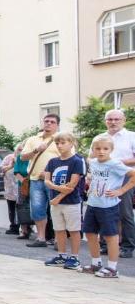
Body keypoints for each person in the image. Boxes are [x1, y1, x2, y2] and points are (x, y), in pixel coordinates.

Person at [81, 134, 135, 278]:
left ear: (111, 149)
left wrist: (121, 190)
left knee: (111, 236)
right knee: (90, 234)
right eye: (98, 148)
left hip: (108, 206)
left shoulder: (115, 164)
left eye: (105, 148)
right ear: (93, 149)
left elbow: (133, 175)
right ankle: (95, 263)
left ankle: (112, 268)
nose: (101, 151)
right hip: (93, 203)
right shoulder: (93, 162)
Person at [42, 132, 85, 270]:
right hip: (56, 203)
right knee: (58, 229)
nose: (59, 146)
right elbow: (47, 180)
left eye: (63, 143)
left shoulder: (76, 161)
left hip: (71, 202)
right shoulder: (52, 161)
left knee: (73, 230)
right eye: (57, 143)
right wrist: (56, 188)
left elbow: (72, 186)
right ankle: (61, 255)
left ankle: (75, 257)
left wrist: (57, 197)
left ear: (71, 143)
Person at [97, 109, 135, 258]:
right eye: (109, 119)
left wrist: (117, 162)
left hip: (125, 176)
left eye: (116, 119)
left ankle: (127, 246)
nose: (113, 122)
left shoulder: (131, 136)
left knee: (124, 213)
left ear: (123, 120)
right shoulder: (100, 137)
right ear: (105, 121)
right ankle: (106, 244)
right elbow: (91, 157)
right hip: (104, 177)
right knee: (104, 211)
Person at [20, 114, 61, 247]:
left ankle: (57, 240)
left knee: (56, 210)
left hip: (55, 180)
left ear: (57, 125)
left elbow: (68, 158)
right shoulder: (32, 139)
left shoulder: (61, 139)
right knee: (37, 210)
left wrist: (50, 173)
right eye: (46, 121)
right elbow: (23, 157)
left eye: (52, 122)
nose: (48, 124)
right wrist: (37, 150)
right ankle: (41, 238)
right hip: (36, 179)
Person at [14, 140, 36, 239]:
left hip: (35, 183)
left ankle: (32, 228)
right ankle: (24, 230)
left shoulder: (35, 157)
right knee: (21, 206)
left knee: (34, 206)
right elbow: (16, 171)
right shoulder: (20, 158)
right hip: (22, 184)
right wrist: (24, 182)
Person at [0, 145, 20, 235]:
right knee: (11, 209)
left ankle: (26, 229)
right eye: (18, 150)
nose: (20, 151)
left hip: (21, 189)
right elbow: (0, 169)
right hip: (10, 189)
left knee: (22, 209)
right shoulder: (9, 157)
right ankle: (13, 226)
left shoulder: (25, 158)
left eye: (22, 150)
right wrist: (10, 166)